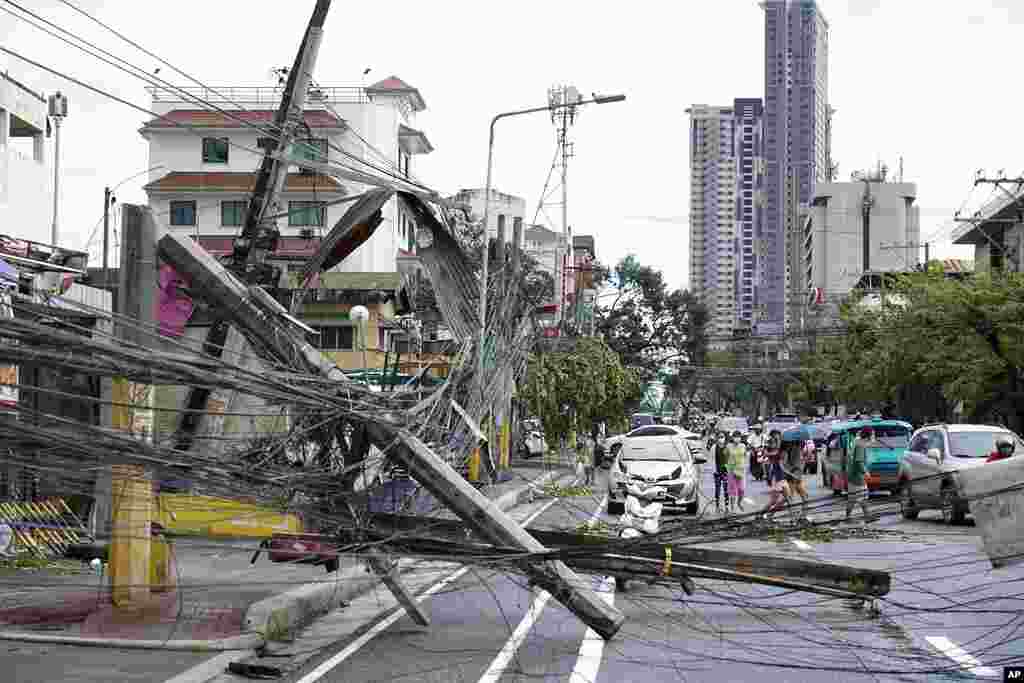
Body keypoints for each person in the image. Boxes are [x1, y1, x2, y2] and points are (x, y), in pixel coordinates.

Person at [845, 427, 874, 524]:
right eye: (872, 434)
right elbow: (859, 461)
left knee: (853, 498)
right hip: (857, 476)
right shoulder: (861, 445)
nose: (873, 437)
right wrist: (865, 472)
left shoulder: (857, 441)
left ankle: (849, 517)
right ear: (868, 436)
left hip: (852, 475)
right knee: (863, 496)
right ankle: (866, 516)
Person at [783, 441, 811, 522]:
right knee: (791, 498)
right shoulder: (794, 449)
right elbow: (786, 464)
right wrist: (792, 472)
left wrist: (805, 458)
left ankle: (802, 516)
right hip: (793, 477)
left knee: (804, 497)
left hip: (797, 477)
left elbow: (799, 462)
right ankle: (794, 518)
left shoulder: (798, 448)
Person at [725, 431, 748, 512]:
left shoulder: (743, 446)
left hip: (741, 471)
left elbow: (745, 456)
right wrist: (728, 467)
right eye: (735, 437)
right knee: (733, 491)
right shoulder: (728, 446)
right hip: (731, 471)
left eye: (738, 437)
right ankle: (732, 508)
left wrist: (743, 465)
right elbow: (726, 456)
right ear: (732, 437)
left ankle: (739, 503)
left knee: (742, 490)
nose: (737, 438)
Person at [713, 432, 730, 512]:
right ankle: (717, 505)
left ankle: (727, 505)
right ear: (717, 438)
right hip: (717, 471)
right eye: (719, 437)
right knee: (717, 489)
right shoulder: (714, 447)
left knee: (726, 489)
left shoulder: (727, 448)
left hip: (726, 471)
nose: (721, 439)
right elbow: (711, 459)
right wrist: (714, 470)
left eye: (722, 437)